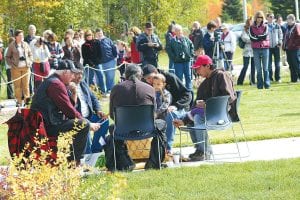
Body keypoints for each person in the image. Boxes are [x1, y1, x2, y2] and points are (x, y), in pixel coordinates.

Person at [30, 59, 101, 164]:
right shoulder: (56, 84)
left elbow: (69, 107)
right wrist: (89, 123)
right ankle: (74, 162)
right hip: (46, 126)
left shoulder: (55, 81)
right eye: (72, 73)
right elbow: (69, 111)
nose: (73, 77)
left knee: (80, 123)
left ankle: (71, 159)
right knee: (83, 124)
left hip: (47, 123)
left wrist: (74, 93)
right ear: (65, 72)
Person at [173, 55, 237, 161]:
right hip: (210, 114)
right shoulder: (205, 83)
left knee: (198, 118)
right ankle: (200, 150)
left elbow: (229, 98)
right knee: (192, 119)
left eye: (198, 68)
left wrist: (207, 104)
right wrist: (184, 119)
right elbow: (195, 106)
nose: (197, 71)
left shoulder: (221, 75)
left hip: (223, 115)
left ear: (207, 66)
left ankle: (205, 152)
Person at [108, 64, 155, 171]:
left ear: (125, 75)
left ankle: (125, 163)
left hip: (122, 129)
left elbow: (112, 115)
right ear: (141, 75)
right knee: (162, 125)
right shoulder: (150, 89)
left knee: (112, 129)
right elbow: (153, 114)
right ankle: (154, 161)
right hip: (147, 128)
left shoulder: (116, 89)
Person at [142, 64, 192, 154]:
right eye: (146, 79)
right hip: (158, 110)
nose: (149, 81)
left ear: (156, 72)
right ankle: (146, 149)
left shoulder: (170, 77)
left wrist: (176, 105)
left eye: (150, 77)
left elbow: (187, 94)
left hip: (177, 108)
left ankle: (167, 148)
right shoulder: (147, 83)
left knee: (170, 114)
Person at [68, 63, 109, 153]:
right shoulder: (67, 87)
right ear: (72, 74)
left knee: (104, 120)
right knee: (85, 130)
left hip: (89, 115)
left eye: (82, 74)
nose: (80, 76)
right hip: (79, 119)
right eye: (78, 74)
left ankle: (96, 149)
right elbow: (70, 107)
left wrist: (98, 110)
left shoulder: (83, 83)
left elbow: (93, 98)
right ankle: (88, 155)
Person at [5, 29, 33, 106]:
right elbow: (7, 57)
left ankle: (27, 101)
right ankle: (19, 102)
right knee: (17, 86)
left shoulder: (26, 44)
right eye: (20, 36)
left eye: (22, 35)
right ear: (16, 37)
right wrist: (12, 64)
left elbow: (30, 54)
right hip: (16, 68)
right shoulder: (11, 45)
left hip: (26, 67)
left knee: (26, 85)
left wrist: (30, 61)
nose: (22, 37)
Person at [166, 24, 194, 91]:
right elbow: (169, 50)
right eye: (177, 30)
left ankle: (189, 90)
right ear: (175, 31)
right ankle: (181, 91)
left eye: (180, 30)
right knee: (179, 77)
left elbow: (191, 46)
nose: (179, 32)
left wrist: (190, 55)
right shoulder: (172, 41)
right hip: (178, 62)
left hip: (187, 61)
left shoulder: (186, 39)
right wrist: (174, 58)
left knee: (188, 76)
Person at [249, 11, 270, 89]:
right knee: (258, 69)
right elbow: (252, 38)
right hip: (255, 49)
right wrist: (258, 37)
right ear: (256, 18)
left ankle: (267, 84)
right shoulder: (251, 27)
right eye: (258, 17)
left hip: (265, 48)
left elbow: (264, 36)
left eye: (261, 17)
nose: (259, 19)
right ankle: (260, 85)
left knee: (265, 68)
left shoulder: (266, 26)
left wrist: (257, 37)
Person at [95, 28, 118, 94]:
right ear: (95, 34)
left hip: (110, 61)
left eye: (100, 33)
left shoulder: (108, 40)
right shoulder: (94, 42)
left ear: (102, 33)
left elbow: (114, 49)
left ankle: (110, 91)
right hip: (99, 63)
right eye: (98, 33)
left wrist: (115, 58)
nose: (99, 34)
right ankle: (101, 91)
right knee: (100, 78)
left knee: (110, 77)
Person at [237, 17, 256, 85]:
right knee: (245, 66)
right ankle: (240, 81)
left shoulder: (255, 30)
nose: (252, 23)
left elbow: (257, 37)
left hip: (254, 51)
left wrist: (254, 39)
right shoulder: (244, 30)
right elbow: (245, 39)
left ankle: (252, 81)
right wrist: (254, 39)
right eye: (250, 22)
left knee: (253, 67)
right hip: (247, 51)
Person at [282, 14, 300, 82]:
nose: (287, 21)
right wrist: (284, 46)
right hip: (288, 49)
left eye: (289, 19)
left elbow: (298, 37)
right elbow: (286, 37)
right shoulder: (287, 27)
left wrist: (293, 44)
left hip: (295, 49)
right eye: (287, 19)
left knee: (296, 64)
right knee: (291, 64)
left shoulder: (296, 26)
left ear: (293, 20)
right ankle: (293, 79)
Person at [266, 13, 283, 83]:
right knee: (269, 64)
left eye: (273, 17)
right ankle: (270, 78)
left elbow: (280, 35)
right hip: (268, 47)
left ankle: (278, 78)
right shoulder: (264, 26)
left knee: (277, 63)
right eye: (270, 17)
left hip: (276, 47)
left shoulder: (277, 26)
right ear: (267, 18)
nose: (272, 18)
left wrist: (279, 42)